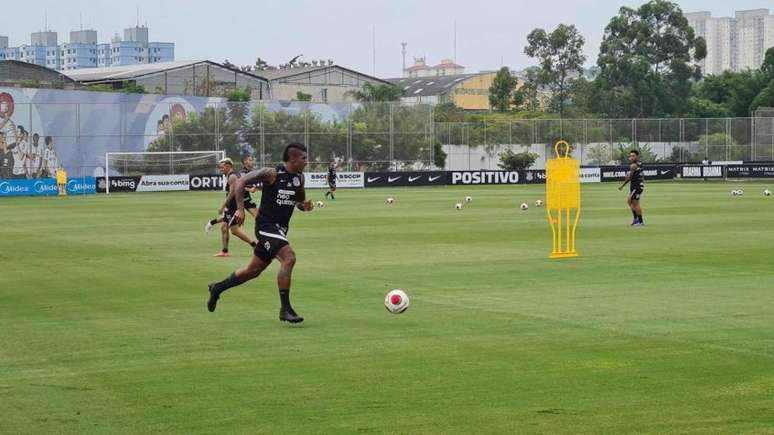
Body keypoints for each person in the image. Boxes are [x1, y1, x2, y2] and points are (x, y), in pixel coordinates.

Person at [207, 143, 314, 323]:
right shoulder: (272, 173)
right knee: (289, 257)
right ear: (293, 159)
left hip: (280, 230)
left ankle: (217, 288)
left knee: (252, 271)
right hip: (266, 227)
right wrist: (240, 209)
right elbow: (241, 182)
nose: (306, 161)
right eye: (304, 158)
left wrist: (305, 206)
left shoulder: (299, 178)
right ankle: (285, 309)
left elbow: (299, 203)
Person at [207, 158, 257, 257]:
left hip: (233, 205)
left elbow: (232, 194)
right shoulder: (232, 176)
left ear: (228, 166)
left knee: (234, 231)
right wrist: (250, 190)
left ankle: (255, 245)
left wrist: (222, 207)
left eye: (222, 167)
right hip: (232, 205)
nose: (220, 169)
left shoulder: (232, 177)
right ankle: (224, 251)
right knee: (224, 227)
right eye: (219, 168)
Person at [618, 149, 645, 226]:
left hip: (636, 186)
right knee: (629, 201)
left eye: (633, 156)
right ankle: (636, 219)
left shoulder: (633, 165)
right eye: (630, 156)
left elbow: (629, 178)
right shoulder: (639, 163)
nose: (631, 157)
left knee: (635, 203)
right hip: (637, 185)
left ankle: (640, 221)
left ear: (637, 156)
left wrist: (622, 185)